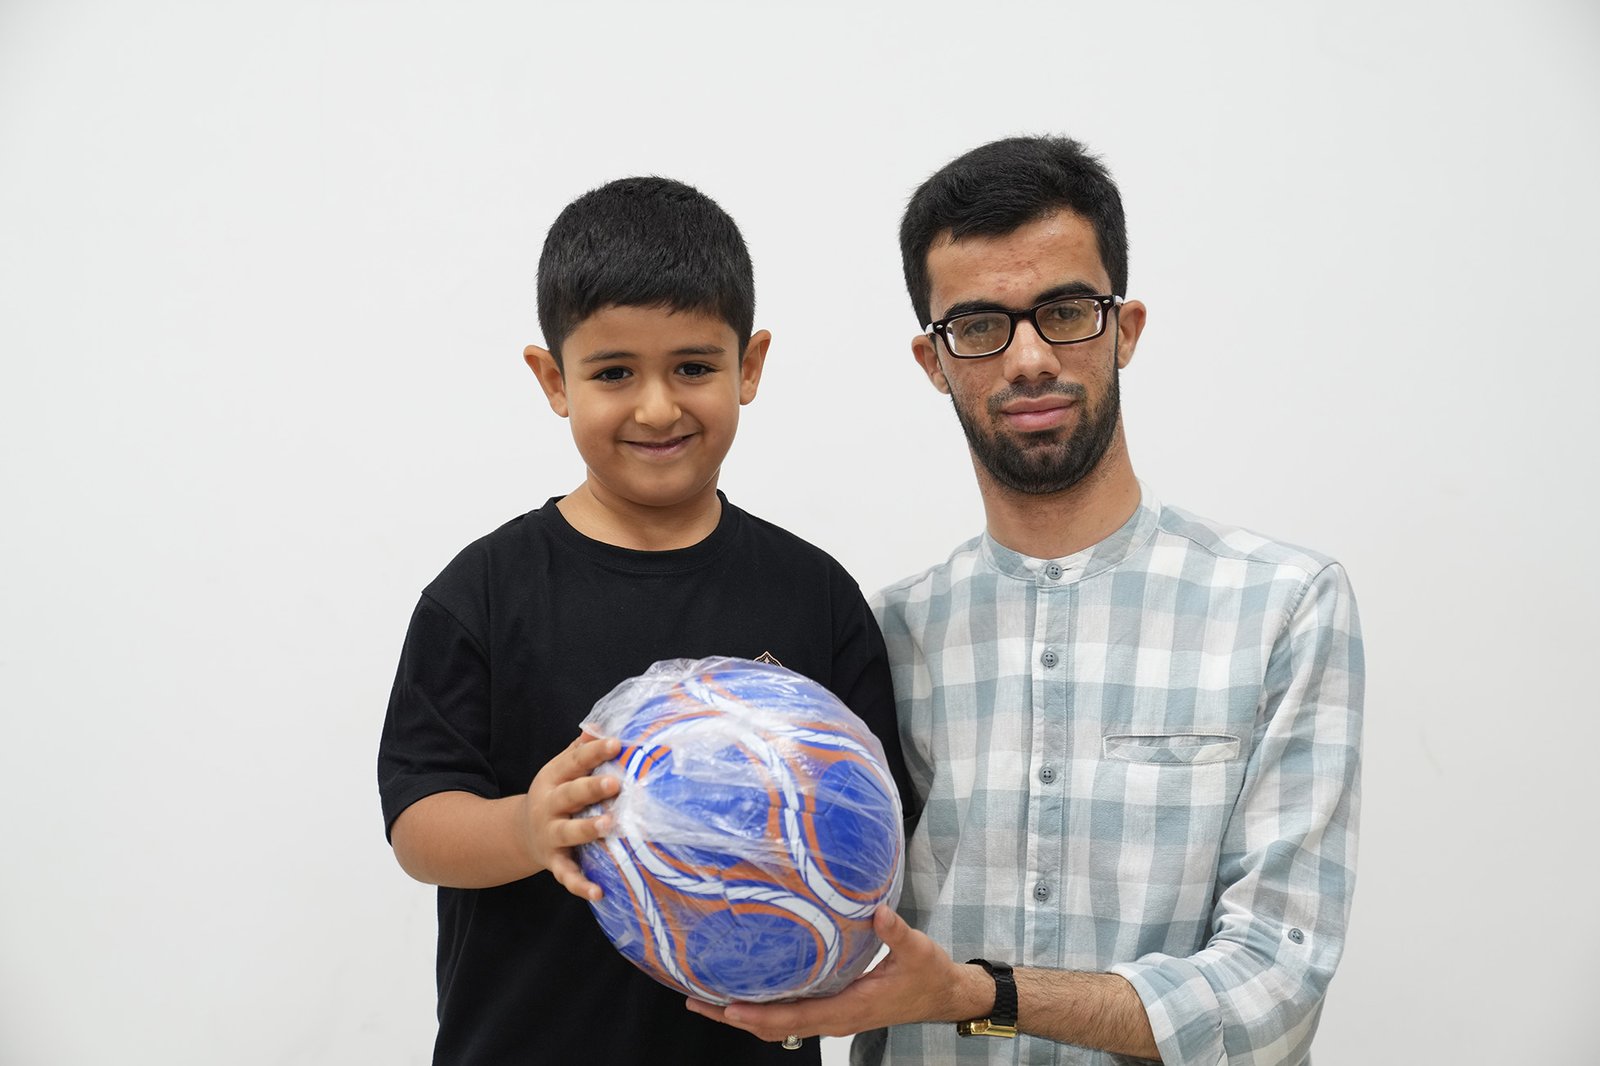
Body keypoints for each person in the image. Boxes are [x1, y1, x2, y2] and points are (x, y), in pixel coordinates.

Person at [689, 137, 1364, 1064]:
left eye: (1067, 312)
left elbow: (1274, 985)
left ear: (1126, 328)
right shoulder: (884, 634)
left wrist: (985, 996)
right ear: (934, 360)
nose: (1032, 358)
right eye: (979, 326)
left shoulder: (1282, 607)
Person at [377, 176, 913, 1065]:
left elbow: (877, 821)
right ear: (553, 379)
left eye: (694, 367)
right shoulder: (483, 594)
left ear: (750, 366)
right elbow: (418, 824)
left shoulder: (812, 593)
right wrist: (527, 828)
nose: (657, 407)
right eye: (614, 373)